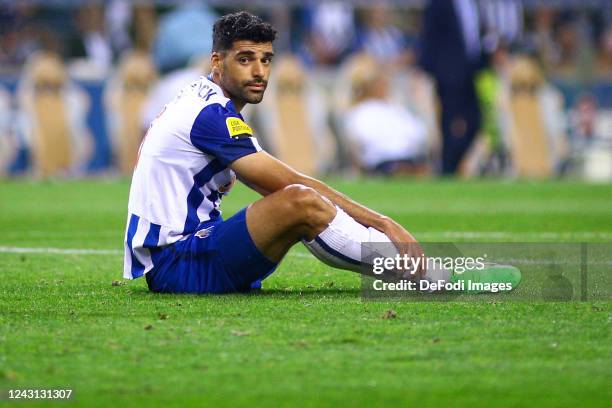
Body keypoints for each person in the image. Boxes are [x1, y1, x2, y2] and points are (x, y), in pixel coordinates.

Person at [124, 11, 515, 294]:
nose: (259, 72)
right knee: (300, 203)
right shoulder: (210, 114)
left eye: (266, 59)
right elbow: (285, 184)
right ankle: (430, 276)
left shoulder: (205, 101)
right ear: (217, 62)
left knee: (298, 203)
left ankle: (420, 270)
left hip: (186, 255)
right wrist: (380, 221)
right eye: (245, 59)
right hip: (179, 264)